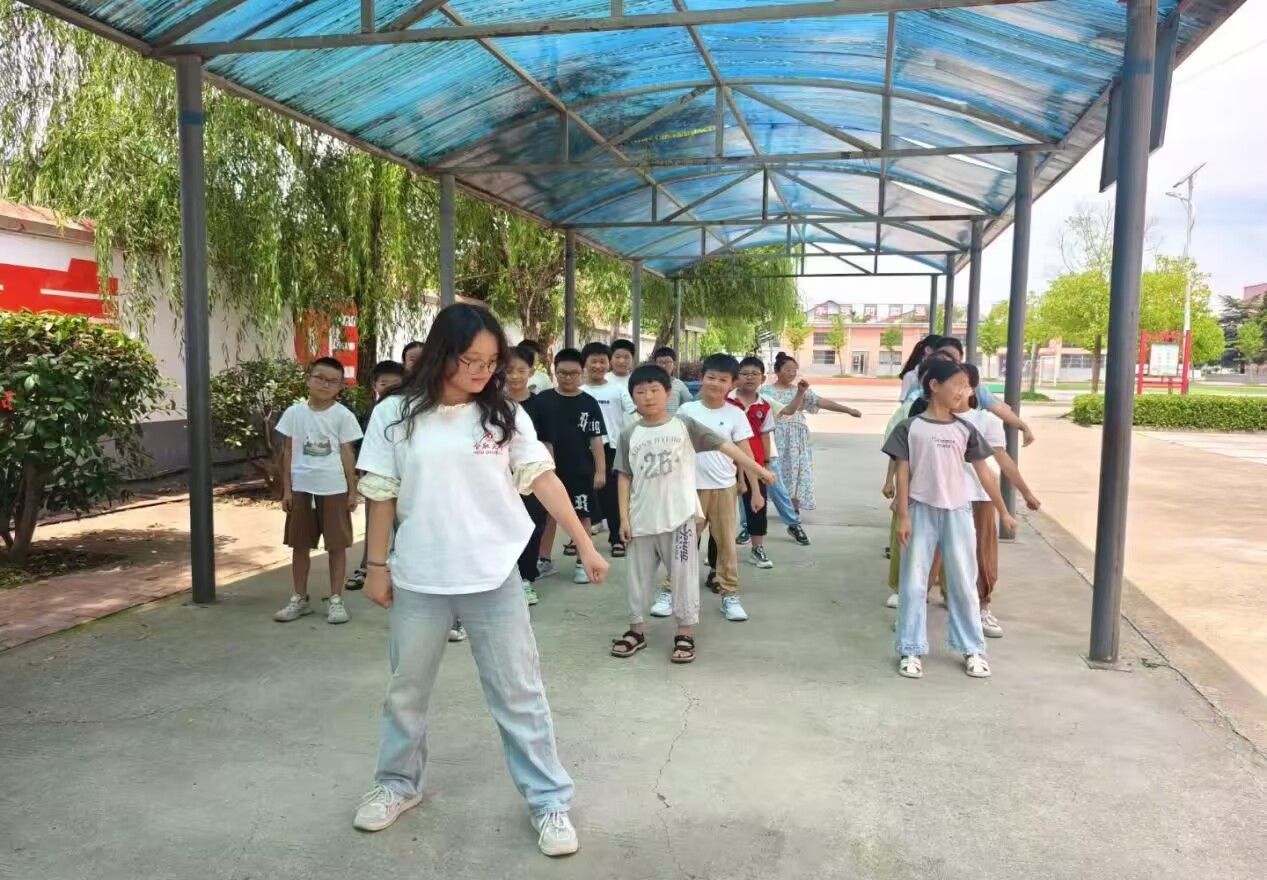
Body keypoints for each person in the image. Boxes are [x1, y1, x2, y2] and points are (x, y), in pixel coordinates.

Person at [352, 303, 609, 856]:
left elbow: (542, 478)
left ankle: (549, 801)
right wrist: (376, 567)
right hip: (420, 576)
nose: (482, 371)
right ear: (442, 353)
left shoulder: (505, 414)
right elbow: (381, 493)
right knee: (406, 691)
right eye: (470, 360)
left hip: (493, 575)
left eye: (491, 362)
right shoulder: (395, 413)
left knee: (519, 693)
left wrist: (584, 543)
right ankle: (397, 784)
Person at [610, 364, 775, 663]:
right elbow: (624, 476)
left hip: (681, 518)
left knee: (684, 577)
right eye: (641, 392)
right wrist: (623, 518)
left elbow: (727, 447)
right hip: (641, 519)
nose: (648, 397)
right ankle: (636, 630)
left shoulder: (684, 425)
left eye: (655, 390)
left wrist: (759, 472)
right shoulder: (628, 433)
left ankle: (684, 633)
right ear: (632, 397)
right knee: (637, 578)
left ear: (668, 393)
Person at [882, 358, 1016, 680]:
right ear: (934, 386)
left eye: (967, 387)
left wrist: (1003, 511)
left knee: (964, 582)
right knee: (914, 583)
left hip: (957, 512)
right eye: (957, 386)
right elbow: (903, 473)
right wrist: (903, 516)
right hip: (920, 510)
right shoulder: (909, 428)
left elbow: (985, 474)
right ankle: (910, 649)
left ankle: (972, 648)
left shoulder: (965, 429)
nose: (963, 392)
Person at [950, 364, 1041, 638]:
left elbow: (1002, 460)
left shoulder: (985, 421)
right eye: (951, 383)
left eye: (962, 384)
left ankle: (982, 606)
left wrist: (1026, 492)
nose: (955, 390)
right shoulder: (935, 418)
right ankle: (921, 607)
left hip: (978, 497)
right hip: (941, 498)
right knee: (934, 553)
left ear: (973, 388)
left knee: (982, 553)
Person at [273, 357, 363, 625]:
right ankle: (299, 598)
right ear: (308, 379)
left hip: (334, 488)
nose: (325, 384)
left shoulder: (343, 416)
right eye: (320, 378)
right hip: (302, 487)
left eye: (332, 381)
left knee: (337, 546)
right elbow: (288, 451)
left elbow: (347, 453)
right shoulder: (294, 413)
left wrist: (352, 490)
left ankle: (336, 599)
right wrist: (287, 490)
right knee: (299, 545)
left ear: (340, 387)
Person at [676, 354, 761, 621]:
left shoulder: (735, 414)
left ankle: (729, 594)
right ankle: (671, 590)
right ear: (702, 377)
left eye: (723, 380)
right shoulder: (686, 411)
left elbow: (746, 454)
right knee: (683, 544)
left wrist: (756, 490)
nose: (715, 383)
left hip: (724, 488)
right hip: (690, 489)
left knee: (726, 546)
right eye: (711, 377)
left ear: (732, 384)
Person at [533, 348, 607, 584]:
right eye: (563, 373)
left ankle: (583, 562)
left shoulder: (589, 402)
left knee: (582, 514)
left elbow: (596, 439)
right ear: (555, 372)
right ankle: (543, 560)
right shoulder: (542, 400)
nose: (568, 378)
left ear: (581, 373)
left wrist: (601, 470)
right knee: (548, 514)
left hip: (580, 468)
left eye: (573, 373)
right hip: (547, 469)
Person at [762, 352, 862, 515]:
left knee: (798, 471)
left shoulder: (801, 390)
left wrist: (848, 410)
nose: (792, 373)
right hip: (775, 436)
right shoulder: (766, 391)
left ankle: (794, 508)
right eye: (787, 370)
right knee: (774, 469)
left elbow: (821, 402)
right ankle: (765, 504)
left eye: (794, 370)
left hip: (797, 438)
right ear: (777, 371)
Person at [906, 337, 1037, 447]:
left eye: (953, 361)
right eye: (944, 357)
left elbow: (999, 408)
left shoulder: (970, 386)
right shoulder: (917, 384)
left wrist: (1023, 427)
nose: (947, 365)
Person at [346, 360, 406, 591]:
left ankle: (398, 566)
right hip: (377, 477)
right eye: (384, 383)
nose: (389, 388)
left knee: (401, 525)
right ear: (374, 385)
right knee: (376, 524)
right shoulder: (374, 411)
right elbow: (364, 443)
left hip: (403, 480)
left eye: (395, 383)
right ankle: (369, 567)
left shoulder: (408, 408)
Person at [506, 344, 549, 606]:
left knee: (532, 525)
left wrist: (548, 477)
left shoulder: (540, 404)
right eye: (509, 370)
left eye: (521, 370)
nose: (514, 376)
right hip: (500, 479)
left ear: (531, 372)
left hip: (531, 477)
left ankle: (526, 579)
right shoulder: (490, 404)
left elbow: (547, 442)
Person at [728, 356, 777, 569]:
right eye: (745, 373)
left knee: (757, 505)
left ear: (762, 378)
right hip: (726, 460)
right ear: (736, 377)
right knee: (721, 507)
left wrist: (766, 463)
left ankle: (757, 548)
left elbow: (765, 435)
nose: (749, 378)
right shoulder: (726, 401)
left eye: (754, 374)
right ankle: (718, 549)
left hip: (754, 462)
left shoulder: (764, 406)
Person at [580, 341, 628, 557]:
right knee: (582, 494)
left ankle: (617, 538)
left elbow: (634, 413)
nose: (598, 366)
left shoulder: (618, 390)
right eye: (594, 361)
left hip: (611, 448)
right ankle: (579, 538)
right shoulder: (579, 391)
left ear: (608, 364)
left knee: (613, 495)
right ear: (585, 363)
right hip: (583, 450)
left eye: (602, 361)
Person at [897, 334, 942, 402]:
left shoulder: (944, 374)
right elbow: (904, 402)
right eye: (942, 351)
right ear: (928, 350)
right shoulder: (910, 376)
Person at [652, 346, 695, 415]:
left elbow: (690, 404)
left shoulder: (679, 384)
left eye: (667, 362)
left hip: (673, 421)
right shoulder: (648, 384)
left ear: (674, 364)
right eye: (660, 362)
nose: (663, 366)